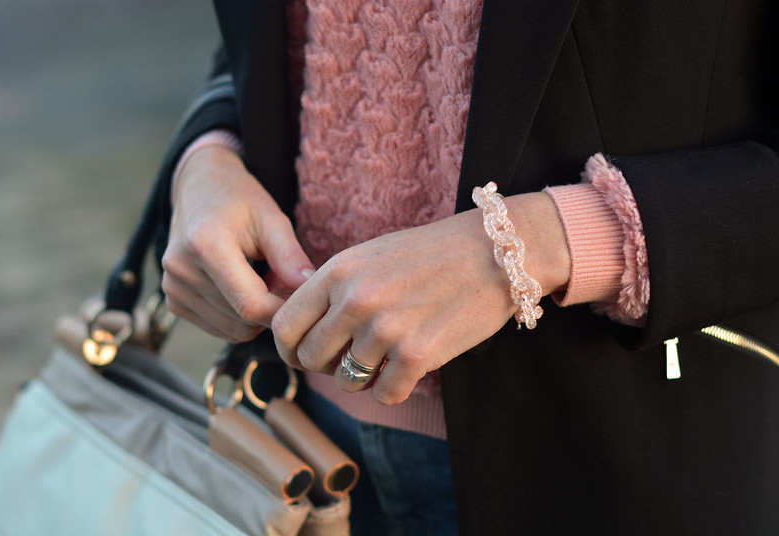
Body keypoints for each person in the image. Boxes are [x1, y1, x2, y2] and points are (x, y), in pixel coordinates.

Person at [150, 1, 779, 534]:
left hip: (605, 454)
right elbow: (275, 38)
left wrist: (535, 245)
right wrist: (209, 155)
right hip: (295, 431)